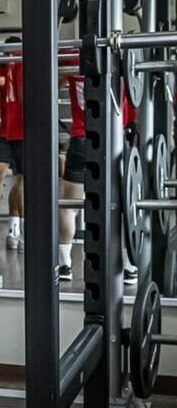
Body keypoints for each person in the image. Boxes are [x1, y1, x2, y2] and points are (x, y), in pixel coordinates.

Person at [58, 48, 137, 284]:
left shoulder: (73, 57)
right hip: (113, 139)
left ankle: (64, 265)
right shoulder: (121, 57)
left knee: (70, 204)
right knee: (122, 203)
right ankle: (128, 266)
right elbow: (136, 96)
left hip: (81, 139)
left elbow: (52, 82)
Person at [0, 37, 24, 249]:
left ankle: (17, 228)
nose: (9, 54)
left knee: (20, 182)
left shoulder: (25, 65)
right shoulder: (1, 69)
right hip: (5, 132)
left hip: (23, 133)